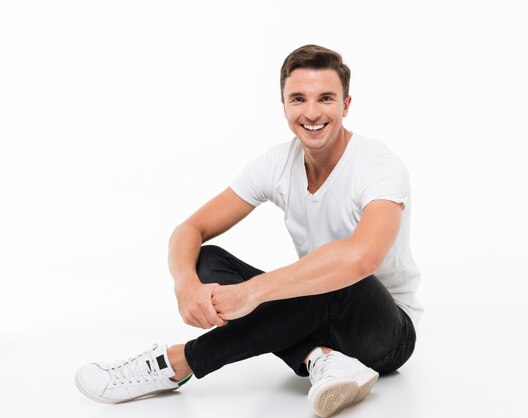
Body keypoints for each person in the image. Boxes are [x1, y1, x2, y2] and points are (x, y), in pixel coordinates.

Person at [75, 44, 422, 417]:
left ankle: (177, 363)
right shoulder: (277, 163)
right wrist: (186, 286)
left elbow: (363, 257)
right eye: (298, 99)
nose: (311, 112)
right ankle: (320, 358)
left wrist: (253, 292)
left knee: (335, 272)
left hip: (384, 332)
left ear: (346, 105)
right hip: (314, 318)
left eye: (325, 98)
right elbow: (190, 229)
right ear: (284, 106)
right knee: (206, 259)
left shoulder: (379, 165)